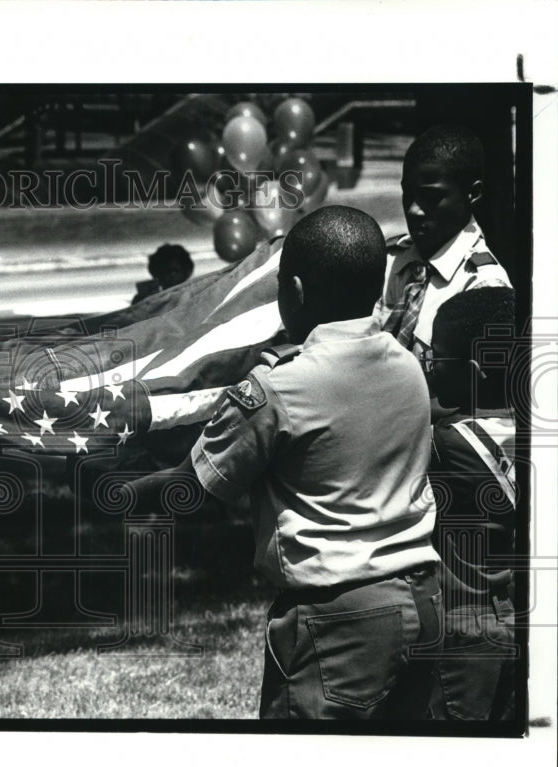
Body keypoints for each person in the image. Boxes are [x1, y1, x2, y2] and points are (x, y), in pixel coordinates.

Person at [127, 206, 442, 719]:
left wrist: (116, 491)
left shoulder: (279, 389)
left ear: (293, 290)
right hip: (423, 600)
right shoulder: (407, 365)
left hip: (339, 622)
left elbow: (191, 488)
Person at [425, 288, 518, 720]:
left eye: (437, 357)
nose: (429, 366)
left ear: (474, 371)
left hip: (468, 625)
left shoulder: (448, 441)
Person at [375, 124, 511, 365]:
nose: (413, 210)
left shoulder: (483, 288)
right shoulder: (388, 262)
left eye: (431, 197)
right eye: (408, 194)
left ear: (473, 193)